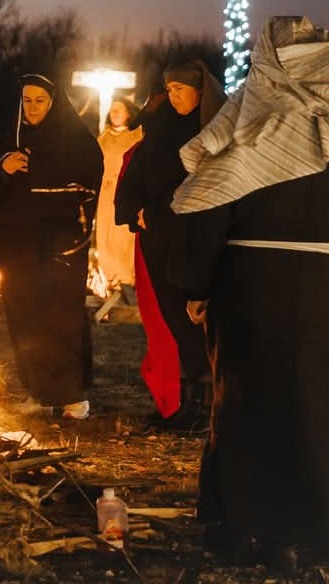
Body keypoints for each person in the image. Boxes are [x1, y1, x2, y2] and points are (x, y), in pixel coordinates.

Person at [171, 17, 329, 573]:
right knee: (312, 406)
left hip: (249, 283)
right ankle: (305, 530)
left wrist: (198, 283)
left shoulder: (248, 117)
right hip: (318, 287)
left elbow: (210, 203)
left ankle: (245, 529)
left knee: (247, 405)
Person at [0, 74, 103, 420]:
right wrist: (2, 170)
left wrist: (75, 239)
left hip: (62, 245)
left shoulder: (79, 142)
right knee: (25, 317)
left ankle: (73, 396)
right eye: (26, 100)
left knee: (61, 316)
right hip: (17, 246)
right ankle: (41, 392)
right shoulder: (6, 142)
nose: (32, 108)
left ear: (54, 102)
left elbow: (90, 193)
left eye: (40, 101)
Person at [114, 60, 223, 427]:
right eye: (170, 89)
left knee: (193, 324)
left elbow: (200, 188)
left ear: (200, 91)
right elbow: (134, 176)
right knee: (172, 323)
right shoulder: (159, 129)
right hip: (156, 240)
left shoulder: (209, 133)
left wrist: (156, 213)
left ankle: (206, 406)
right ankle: (185, 406)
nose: (172, 95)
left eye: (180, 89)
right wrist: (135, 211)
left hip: (190, 241)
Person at [95, 98, 143, 287]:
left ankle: (126, 276)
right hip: (106, 194)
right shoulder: (104, 137)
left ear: (128, 113)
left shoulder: (136, 136)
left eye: (119, 110)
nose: (114, 113)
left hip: (125, 192)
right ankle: (108, 275)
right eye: (112, 110)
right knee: (106, 234)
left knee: (123, 234)